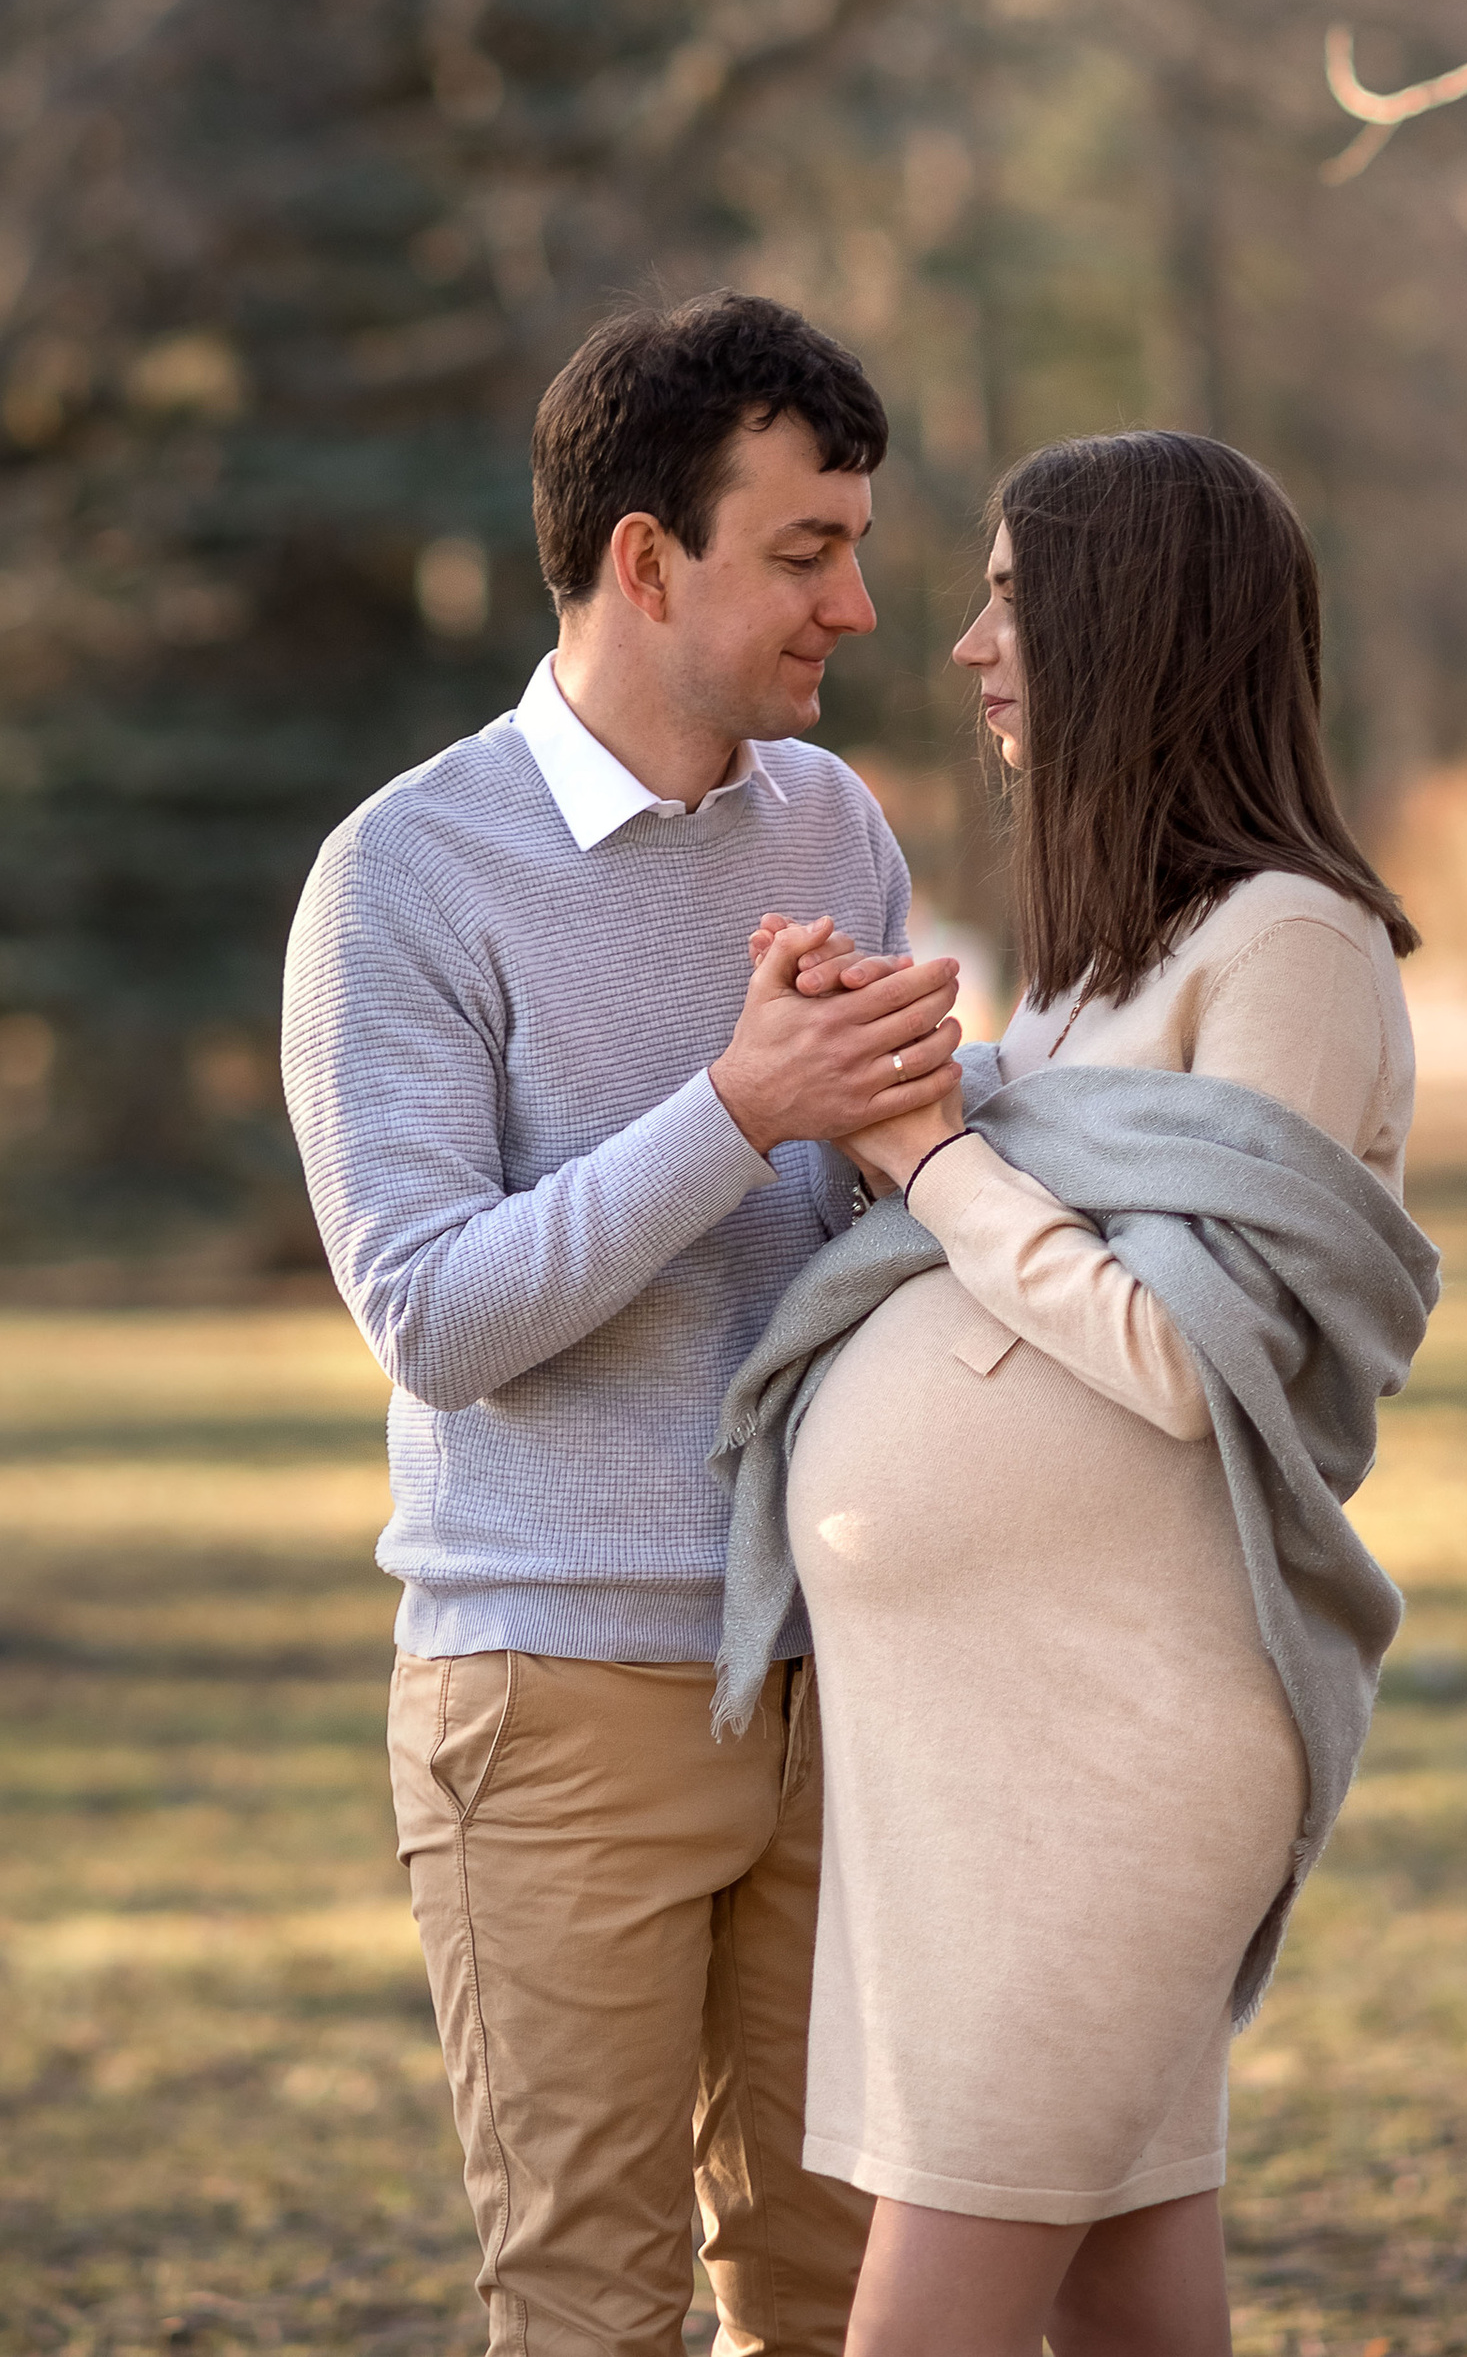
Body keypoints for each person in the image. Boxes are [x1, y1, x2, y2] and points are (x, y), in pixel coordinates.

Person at [281, 291, 966, 2357]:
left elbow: (870, 1230)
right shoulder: (405, 875)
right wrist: (743, 1105)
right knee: (590, 2306)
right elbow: (435, 1315)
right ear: (646, 561)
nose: (854, 602)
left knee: (843, 2289)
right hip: (554, 1696)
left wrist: (913, 1136)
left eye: (854, 542)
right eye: (804, 550)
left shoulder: (833, 828)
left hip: (831, 1677)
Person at [715, 429, 1439, 2357]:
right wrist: (863, 1076)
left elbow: (1197, 1362)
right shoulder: (1098, 970)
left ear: (1136, 628)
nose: (966, 644)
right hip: (969, 1759)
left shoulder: (1296, 942)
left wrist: (931, 1155)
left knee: (925, 2320)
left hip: (1118, 1753)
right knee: (1133, 2306)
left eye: (1017, 596)